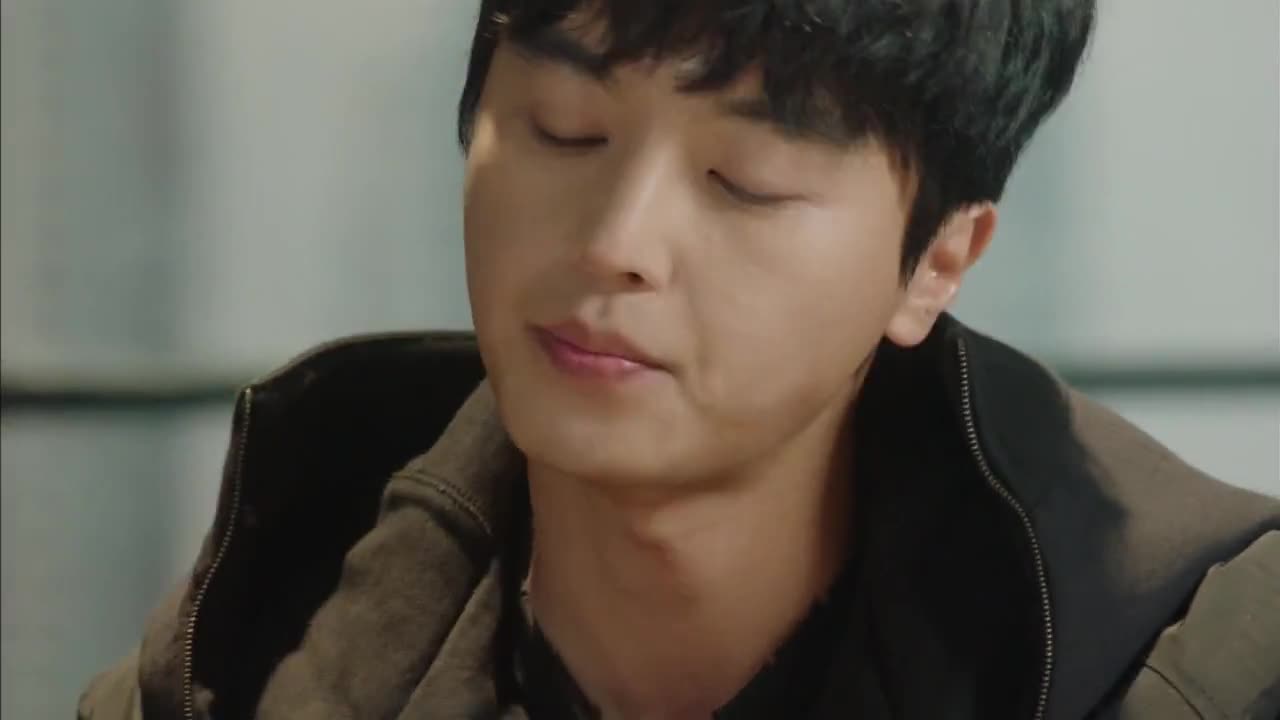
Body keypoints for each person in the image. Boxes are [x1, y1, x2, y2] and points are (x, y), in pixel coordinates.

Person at [80, 2, 1280, 718]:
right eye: (564, 130)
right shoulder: (238, 656)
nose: (617, 242)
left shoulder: (1199, 672)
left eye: (743, 182)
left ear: (935, 263)